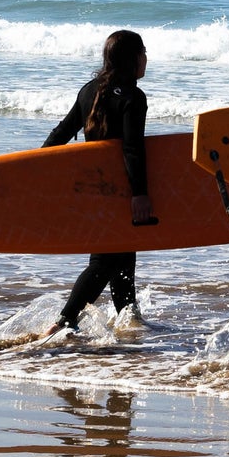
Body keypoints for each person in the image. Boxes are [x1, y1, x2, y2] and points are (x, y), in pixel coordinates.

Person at [43, 28, 156, 334]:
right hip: (122, 193)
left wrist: (36, 170)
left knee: (121, 258)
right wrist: (140, 194)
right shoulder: (133, 97)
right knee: (105, 262)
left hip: (93, 192)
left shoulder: (89, 90)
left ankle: (129, 324)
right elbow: (132, 148)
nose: (146, 58)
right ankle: (63, 323)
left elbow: (60, 134)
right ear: (132, 58)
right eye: (143, 52)